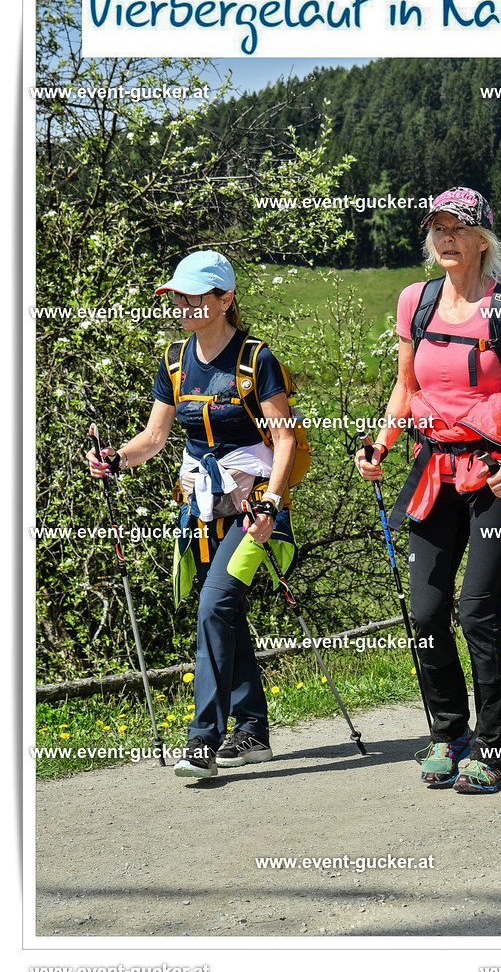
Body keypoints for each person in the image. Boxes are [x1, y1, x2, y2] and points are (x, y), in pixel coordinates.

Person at [356, 188, 501, 793]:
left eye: (458, 229)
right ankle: (449, 735)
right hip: (432, 471)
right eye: (437, 228)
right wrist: (380, 444)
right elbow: (405, 385)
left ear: (483, 239)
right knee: (426, 612)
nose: (445, 238)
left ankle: (490, 752)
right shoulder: (414, 300)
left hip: (498, 474)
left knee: (478, 614)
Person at [87, 250, 297, 779]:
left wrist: (270, 502)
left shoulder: (256, 360)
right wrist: (117, 458)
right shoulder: (176, 360)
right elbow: (154, 438)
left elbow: (285, 437)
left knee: (215, 604)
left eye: (193, 297)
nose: (181, 305)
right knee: (223, 612)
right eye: (177, 296)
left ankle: (203, 740)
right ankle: (252, 730)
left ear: (225, 300)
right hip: (202, 509)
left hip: (255, 511)